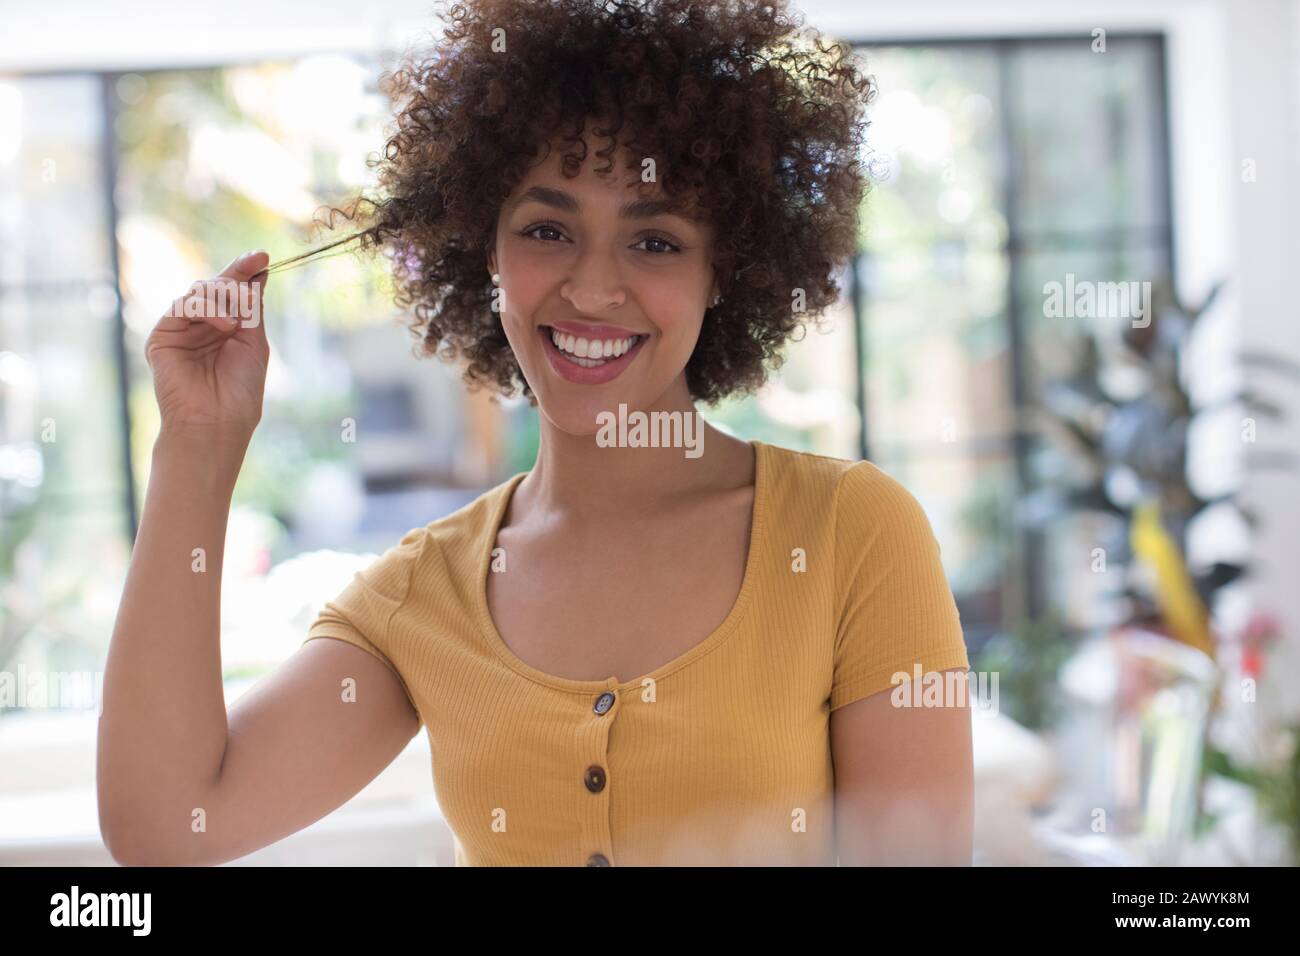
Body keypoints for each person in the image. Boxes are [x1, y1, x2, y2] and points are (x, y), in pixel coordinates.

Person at [98, 0, 972, 867]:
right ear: (487, 253)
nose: (592, 289)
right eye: (547, 230)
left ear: (723, 273)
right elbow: (168, 825)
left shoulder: (849, 533)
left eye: (656, 241)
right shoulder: (425, 594)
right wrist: (198, 445)